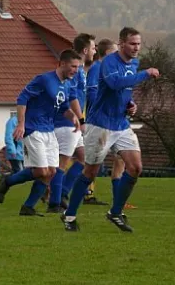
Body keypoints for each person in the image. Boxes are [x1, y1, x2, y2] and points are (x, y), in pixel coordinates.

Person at [61, 27, 160, 232]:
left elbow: (123, 90)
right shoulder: (108, 62)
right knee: (91, 171)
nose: (136, 48)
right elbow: (114, 83)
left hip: (121, 123)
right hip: (101, 125)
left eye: (139, 44)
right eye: (132, 44)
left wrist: (130, 103)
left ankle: (115, 213)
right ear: (122, 43)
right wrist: (145, 74)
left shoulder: (133, 63)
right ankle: (69, 215)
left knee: (135, 168)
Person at [0, 49, 81, 216]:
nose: (75, 70)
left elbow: (63, 108)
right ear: (62, 63)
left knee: (52, 172)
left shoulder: (68, 84)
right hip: (33, 127)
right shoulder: (44, 79)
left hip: (49, 130)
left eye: (77, 67)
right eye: (73, 66)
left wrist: (74, 117)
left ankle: (28, 207)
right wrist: (21, 124)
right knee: (42, 171)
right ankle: (8, 180)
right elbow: (22, 98)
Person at [80, 38, 137, 209]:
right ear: (106, 53)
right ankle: (83, 194)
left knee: (120, 159)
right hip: (101, 121)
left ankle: (118, 199)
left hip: (117, 119)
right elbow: (92, 93)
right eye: (115, 52)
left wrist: (129, 104)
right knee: (93, 160)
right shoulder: (98, 67)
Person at [50, 33, 97, 212]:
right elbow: (73, 97)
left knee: (84, 159)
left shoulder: (82, 71)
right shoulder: (76, 72)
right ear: (85, 50)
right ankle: (56, 200)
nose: (95, 51)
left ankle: (62, 192)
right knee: (61, 162)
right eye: (93, 48)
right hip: (68, 121)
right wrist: (81, 118)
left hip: (74, 122)